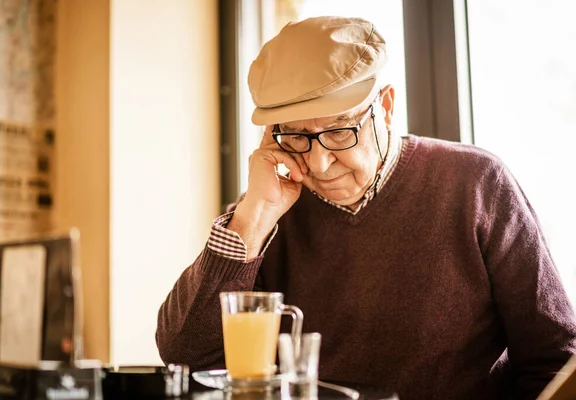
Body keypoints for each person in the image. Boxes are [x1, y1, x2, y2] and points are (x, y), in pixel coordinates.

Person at [156, 16, 576, 399]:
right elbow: (186, 356)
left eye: (339, 132)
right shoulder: (269, 211)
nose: (318, 163)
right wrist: (252, 219)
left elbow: (555, 358)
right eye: (297, 136)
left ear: (386, 107)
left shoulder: (477, 182)